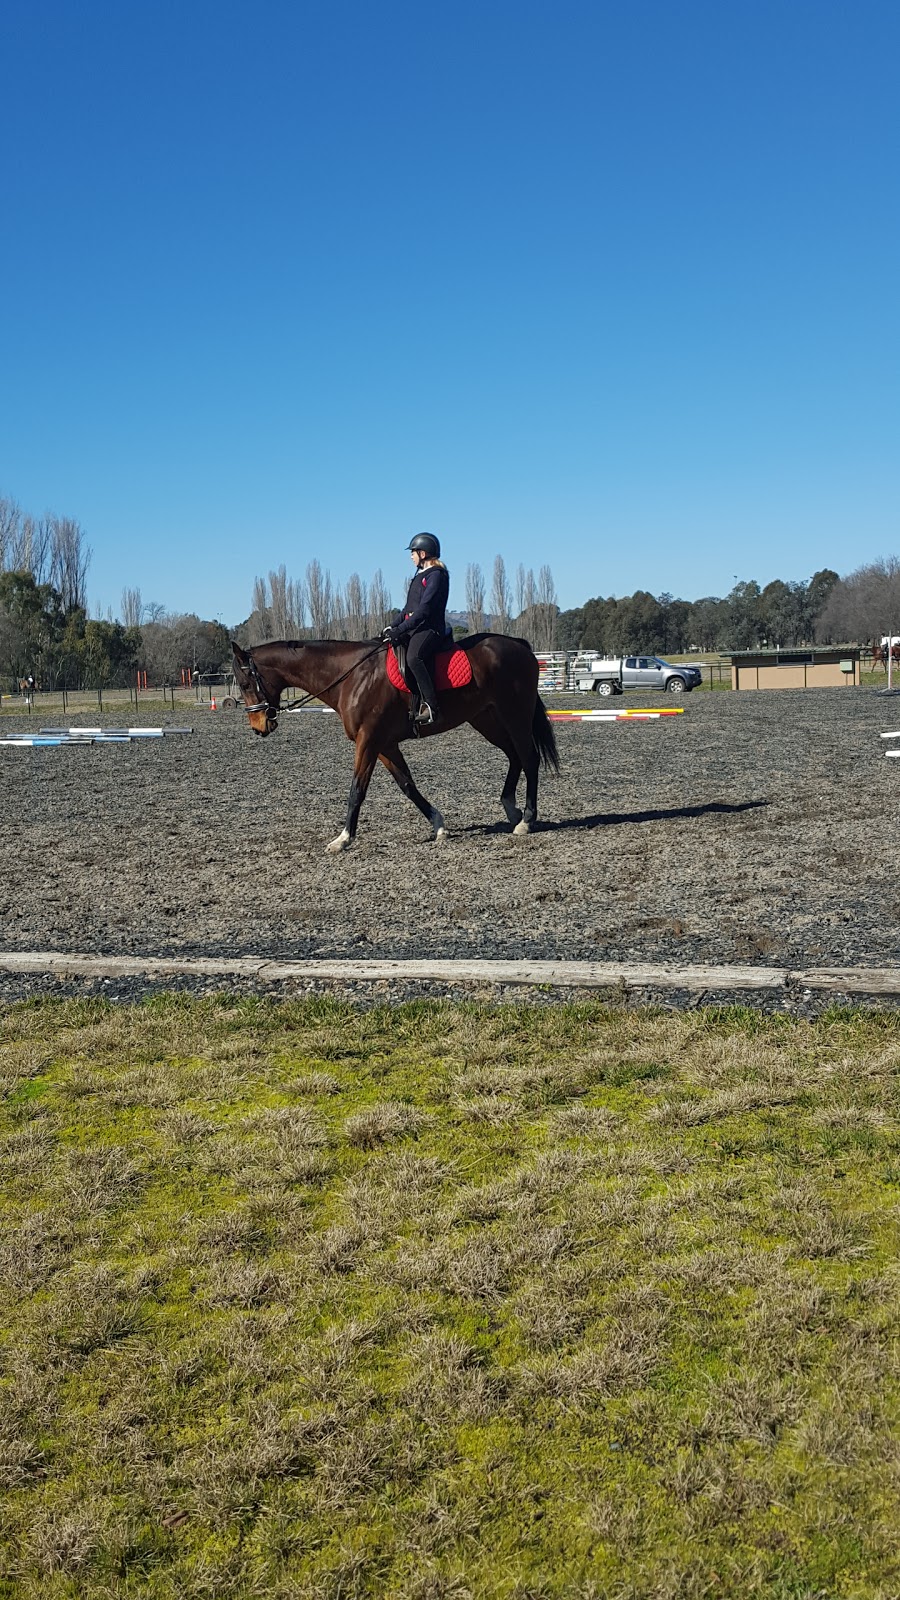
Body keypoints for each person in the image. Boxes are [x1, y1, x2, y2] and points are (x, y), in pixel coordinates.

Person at [382, 532, 450, 724]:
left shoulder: (436, 575)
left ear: (423, 553)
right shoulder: (418, 576)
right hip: (415, 627)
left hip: (430, 629)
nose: (411, 556)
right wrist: (392, 626)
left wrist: (401, 629)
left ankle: (432, 706)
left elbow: (424, 610)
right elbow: (407, 609)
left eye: (413, 552)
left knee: (414, 657)